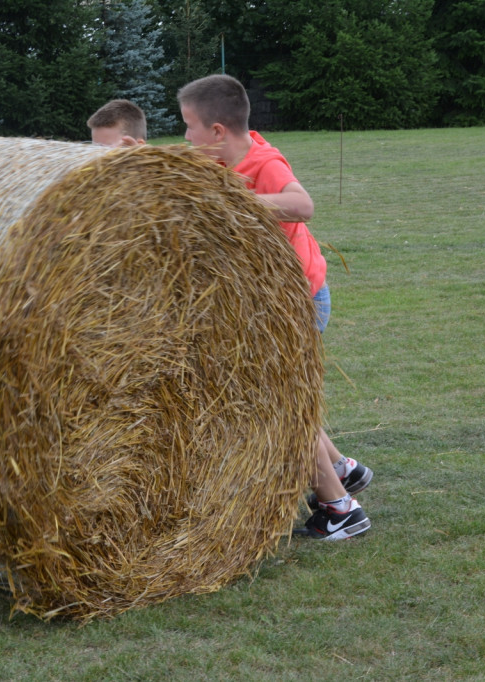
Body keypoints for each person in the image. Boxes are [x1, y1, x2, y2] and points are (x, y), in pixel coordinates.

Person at [177, 74, 372, 540]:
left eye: (188, 127)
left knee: (283, 409)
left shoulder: (261, 161)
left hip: (300, 302)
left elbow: (302, 205)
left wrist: (236, 204)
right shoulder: (219, 160)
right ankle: (343, 469)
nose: (185, 137)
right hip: (273, 304)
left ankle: (341, 510)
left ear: (218, 131)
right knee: (288, 398)